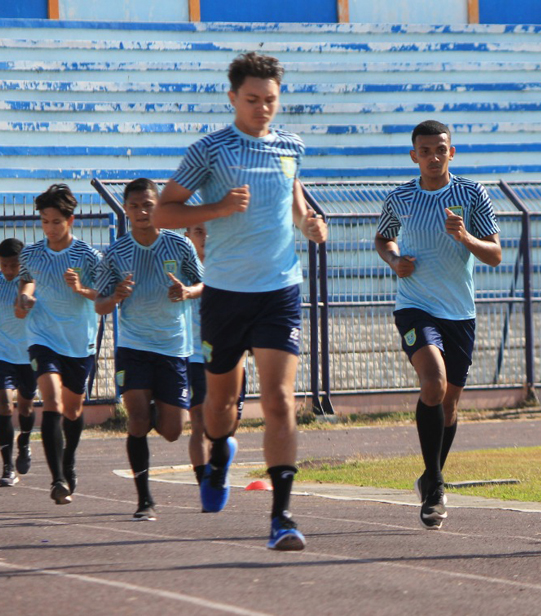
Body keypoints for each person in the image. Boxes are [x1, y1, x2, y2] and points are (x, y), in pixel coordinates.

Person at [153, 52, 327, 551]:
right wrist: (221, 207)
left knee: (278, 401)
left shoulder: (292, 145)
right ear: (232, 98)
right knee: (220, 409)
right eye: (252, 100)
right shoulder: (209, 150)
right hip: (226, 294)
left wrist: (310, 223)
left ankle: (283, 517)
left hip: (279, 291)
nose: (262, 109)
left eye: (270, 100)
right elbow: (164, 212)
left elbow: (294, 199)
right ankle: (220, 451)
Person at [374, 120, 501, 530]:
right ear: (414, 155)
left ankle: (430, 476)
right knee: (434, 384)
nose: (433, 157)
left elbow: (495, 254)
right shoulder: (400, 198)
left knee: (448, 405)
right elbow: (383, 238)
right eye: (425, 151)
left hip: (459, 312)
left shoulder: (470, 194)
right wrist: (395, 261)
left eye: (440, 149)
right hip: (415, 306)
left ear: (452, 152)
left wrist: (465, 237)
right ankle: (436, 488)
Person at [95, 178, 204, 521]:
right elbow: (99, 304)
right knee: (137, 421)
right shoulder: (115, 254)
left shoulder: (180, 246)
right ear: (126, 210)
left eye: (148, 205)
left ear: (158, 207)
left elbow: (204, 283)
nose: (142, 212)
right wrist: (115, 298)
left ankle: (157, 403)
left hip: (173, 347)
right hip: (134, 346)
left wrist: (187, 292)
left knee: (172, 431)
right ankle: (144, 500)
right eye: (135, 206)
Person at [16, 184, 103, 505]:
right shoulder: (32, 253)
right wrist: (26, 293)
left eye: (56, 222)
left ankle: (68, 462)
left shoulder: (89, 256)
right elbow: (27, 277)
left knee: (73, 409)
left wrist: (81, 289)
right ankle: (57, 480)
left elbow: (103, 296)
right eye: (44, 222)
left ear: (71, 220)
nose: (50, 228)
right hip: (42, 337)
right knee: (51, 401)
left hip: (79, 341)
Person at [184, 222, 246, 487]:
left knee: (227, 425)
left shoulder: (232, 266)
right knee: (198, 420)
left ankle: (219, 466)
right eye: (198, 230)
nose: (205, 236)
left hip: (230, 356)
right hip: (196, 355)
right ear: (187, 235)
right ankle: (204, 483)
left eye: (210, 230)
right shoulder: (180, 269)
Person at [0, 238, 36, 487]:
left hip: (29, 355)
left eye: (14, 265)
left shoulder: (32, 284)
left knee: (25, 406)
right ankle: (8, 467)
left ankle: (24, 441)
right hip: (3, 354)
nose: (10, 270)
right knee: (4, 404)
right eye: (4, 265)